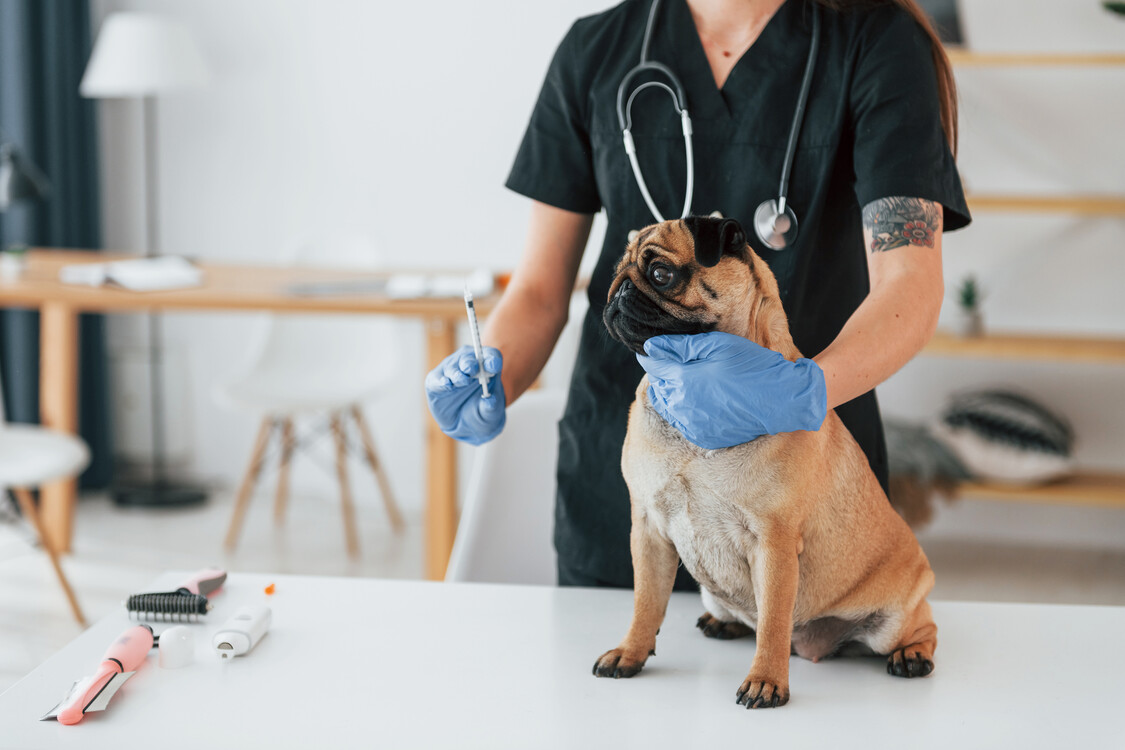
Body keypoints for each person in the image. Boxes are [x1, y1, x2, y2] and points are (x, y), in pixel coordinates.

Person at [426, 0, 971, 589]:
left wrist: (803, 391)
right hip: (633, 490)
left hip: (801, 495)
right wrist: (494, 377)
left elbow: (909, 285)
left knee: (795, 674)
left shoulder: (877, 43)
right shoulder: (597, 50)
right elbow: (538, 289)